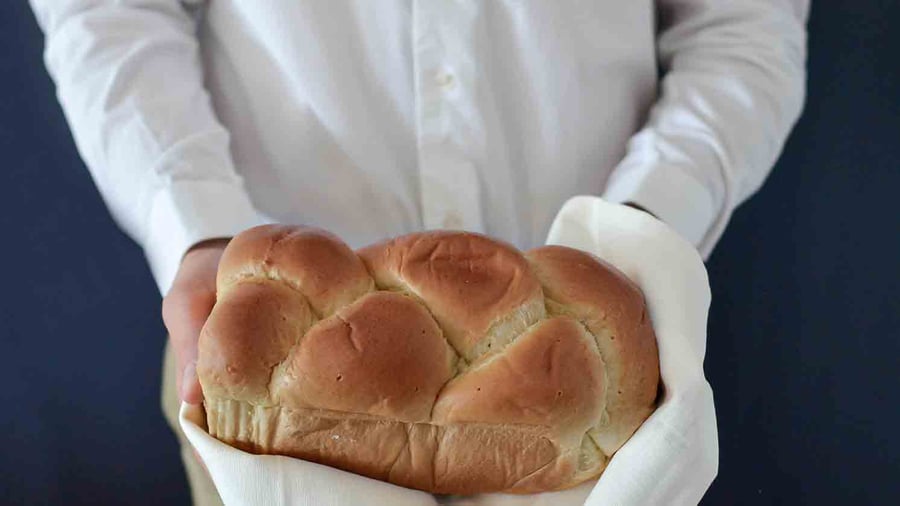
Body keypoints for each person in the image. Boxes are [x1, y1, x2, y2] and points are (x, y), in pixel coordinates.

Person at [30, 1, 809, 504]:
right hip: (260, 357)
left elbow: (742, 28)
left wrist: (637, 232)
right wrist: (197, 228)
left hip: (594, 378)